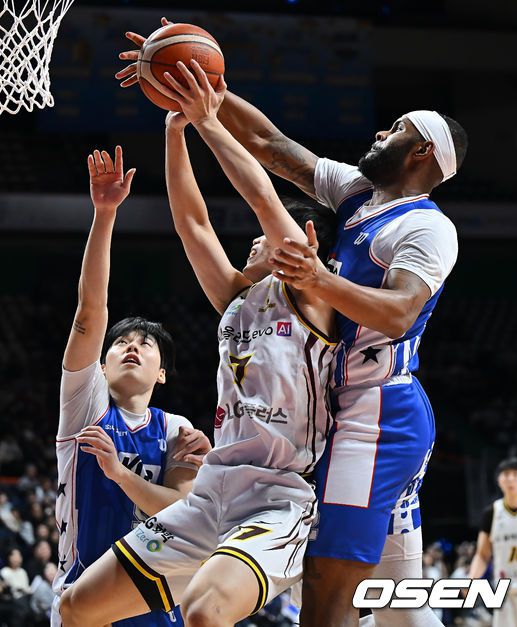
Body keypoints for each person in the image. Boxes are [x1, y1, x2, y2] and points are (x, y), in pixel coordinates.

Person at [116, 23, 467, 626]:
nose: (380, 132)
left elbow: (401, 312)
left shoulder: (428, 228)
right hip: (333, 407)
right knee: (395, 599)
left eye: (396, 129)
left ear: (423, 153)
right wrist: (196, 86)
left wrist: (318, 280)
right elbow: (269, 145)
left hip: (375, 411)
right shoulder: (356, 195)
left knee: (326, 595)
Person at [59, 61, 338, 627]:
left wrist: (208, 119)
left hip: (277, 499)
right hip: (211, 495)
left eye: (264, 239)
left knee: (205, 612)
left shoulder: (315, 298)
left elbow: (263, 198)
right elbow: (193, 224)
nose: (254, 241)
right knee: (77, 606)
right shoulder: (238, 299)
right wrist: (174, 129)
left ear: (303, 243)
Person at [52, 145, 212, 627]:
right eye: (121, 342)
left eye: (146, 344)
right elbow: (89, 313)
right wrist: (105, 215)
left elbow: (180, 510)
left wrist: (120, 474)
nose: (131, 348)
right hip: (82, 593)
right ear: (100, 367)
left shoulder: (176, 428)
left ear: (162, 373)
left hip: (154, 598)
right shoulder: (85, 405)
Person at [468, 457, 517, 627]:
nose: (510, 478)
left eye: (515, 474)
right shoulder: (492, 512)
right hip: (505, 592)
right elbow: (482, 555)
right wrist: (471, 580)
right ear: (499, 480)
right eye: (506, 474)